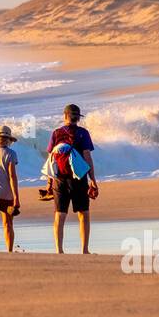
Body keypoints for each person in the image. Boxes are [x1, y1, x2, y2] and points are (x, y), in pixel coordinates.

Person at [42, 104, 99, 254]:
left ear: (65, 116)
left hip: (59, 179)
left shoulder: (56, 133)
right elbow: (87, 156)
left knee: (60, 215)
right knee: (83, 214)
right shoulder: (83, 133)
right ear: (78, 118)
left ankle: (59, 250)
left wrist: (49, 182)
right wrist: (92, 179)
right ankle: (85, 250)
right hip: (79, 179)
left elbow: (51, 159)